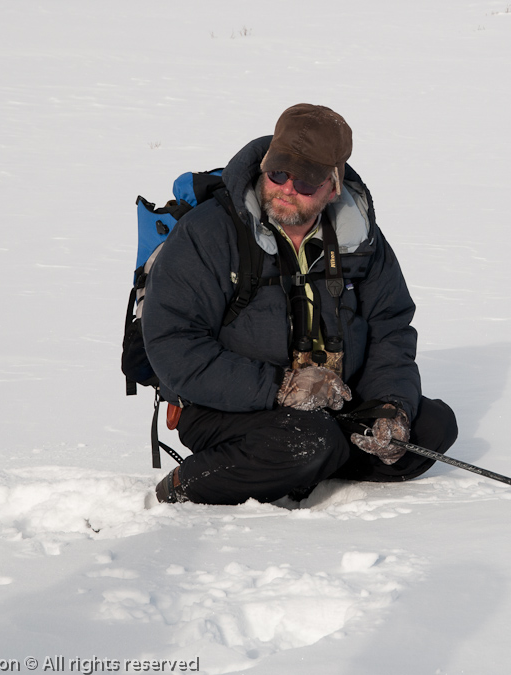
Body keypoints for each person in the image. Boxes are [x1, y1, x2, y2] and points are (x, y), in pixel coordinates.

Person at [142, 103, 457, 504]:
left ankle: (298, 466)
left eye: (306, 181)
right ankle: (189, 483)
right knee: (311, 439)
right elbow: (173, 345)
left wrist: (390, 404)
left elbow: (389, 328)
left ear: (333, 185)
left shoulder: (361, 241)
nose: (287, 188)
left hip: (332, 400)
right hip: (225, 405)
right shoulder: (207, 233)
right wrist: (282, 388)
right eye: (277, 173)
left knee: (431, 427)